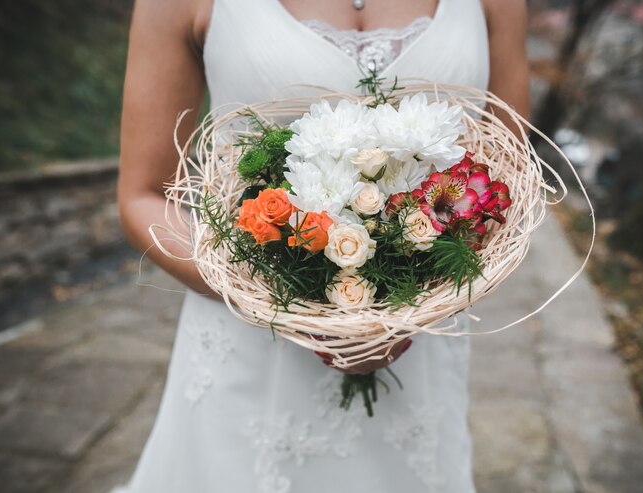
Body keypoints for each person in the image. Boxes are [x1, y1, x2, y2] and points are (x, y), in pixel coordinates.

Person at [116, 0, 529, 491]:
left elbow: (509, 182)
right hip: (250, 344)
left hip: (418, 346)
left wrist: (407, 309)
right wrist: (279, 302)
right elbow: (142, 195)